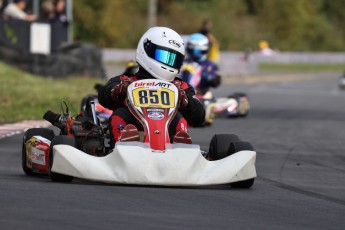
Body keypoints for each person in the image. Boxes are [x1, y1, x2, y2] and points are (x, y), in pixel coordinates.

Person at [98, 27, 205, 146]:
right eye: (165, 56)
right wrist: (117, 91)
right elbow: (103, 96)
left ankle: (180, 147)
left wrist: (186, 102)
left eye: (174, 59)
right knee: (119, 114)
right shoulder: (126, 80)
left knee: (180, 119)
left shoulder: (180, 87)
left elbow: (199, 118)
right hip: (133, 127)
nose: (169, 63)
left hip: (167, 134)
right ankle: (123, 144)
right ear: (147, 50)